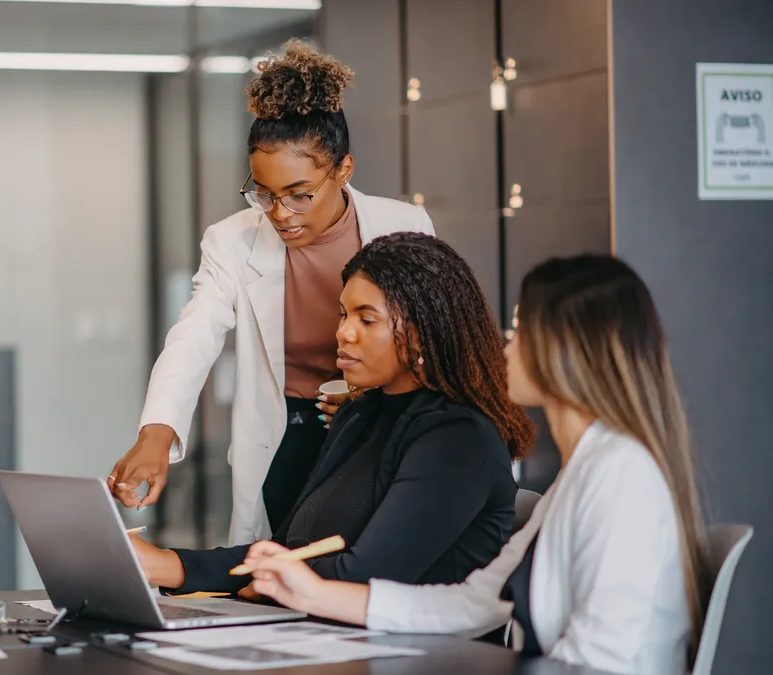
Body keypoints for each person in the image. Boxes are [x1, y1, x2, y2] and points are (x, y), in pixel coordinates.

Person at [244, 255, 709, 675]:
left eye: (521, 332)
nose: (507, 347)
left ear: (564, 351)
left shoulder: (623, 475)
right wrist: (306, 590)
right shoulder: (586, 471)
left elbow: (602, 661)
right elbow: (474, 602)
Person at [110, 40, 434, 545]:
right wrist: (157, 433)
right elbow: (193, 336)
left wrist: (370, 392)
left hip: (380, 424)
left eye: (299, 195)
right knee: (278, 563)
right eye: (264, 193)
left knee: (368, 559)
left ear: (343, 171)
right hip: (287, 429)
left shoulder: (405, 226)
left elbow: (434, 339)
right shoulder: (232, 240)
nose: (281, 213)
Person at [130, 233, 535, 598]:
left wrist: (277, 579)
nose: (343, 332)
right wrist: (166, 565)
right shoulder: (357, 417)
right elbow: (291, 547)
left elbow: (368, 577)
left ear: (420, 332)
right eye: (344, 314)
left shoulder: (457, 438)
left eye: (366, 318)